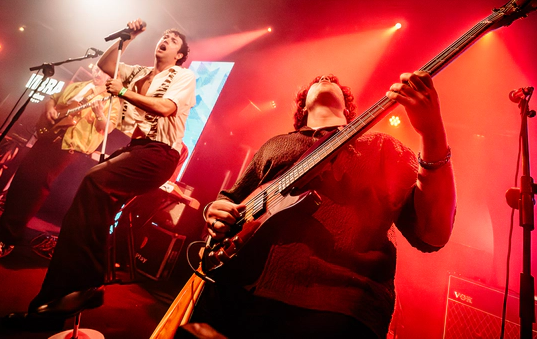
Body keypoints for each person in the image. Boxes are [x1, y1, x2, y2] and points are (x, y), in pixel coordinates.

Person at [191, 72, 456, 338]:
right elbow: (232, 197)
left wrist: (433, 133)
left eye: (334, 82)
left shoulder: (381, 146)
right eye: (318, 80)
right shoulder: (275, 144)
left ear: (347, 110)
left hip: (336, 306)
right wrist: (214, 210)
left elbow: (433, 233)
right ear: (303, 108)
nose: (327, 77)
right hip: (231, 292)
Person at [7, 19, 196, 327]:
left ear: (180, 55)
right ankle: (51, 303)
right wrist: (127, 38)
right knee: (81, 210)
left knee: (94, 181)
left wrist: (123, 92)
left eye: (173, 40)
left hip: (160, 153)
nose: (165, 40)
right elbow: (106, 66)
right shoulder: (138, 72)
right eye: (164, 36)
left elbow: (165, 107)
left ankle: (89, 282)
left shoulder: (183, 75)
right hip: (137, 148)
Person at [0, 66, 120, 261]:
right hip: (48, 137)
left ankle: (8, 239)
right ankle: (6, 223)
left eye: (104, 73)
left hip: (68, 146)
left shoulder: (112, 99)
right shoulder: (79, 86)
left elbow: (107, 128)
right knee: (22, 178)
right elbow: (52, 98)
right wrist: (50, 109)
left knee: (35, 187)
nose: (98, 74)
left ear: (113, 77)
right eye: (97, 69)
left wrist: (99, 114)